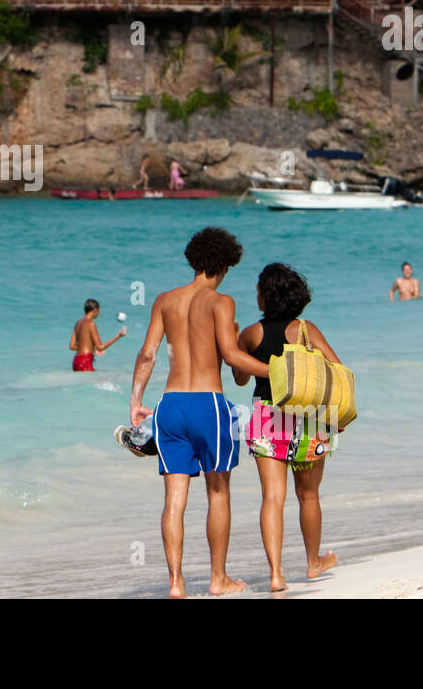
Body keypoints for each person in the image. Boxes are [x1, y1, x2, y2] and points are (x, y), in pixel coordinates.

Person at [129, 227, 271, 598]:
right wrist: (278, 372)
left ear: (194, 260)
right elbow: (231, 355)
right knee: (218, 491)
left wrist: (134, 401)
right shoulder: (221, 302)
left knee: (173, 499)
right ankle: (217, 578)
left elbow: (147, 354)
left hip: (170, 405)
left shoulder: (164, 299)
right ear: (223, 265)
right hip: (208, 404)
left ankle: (176, 582)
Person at [235, 264, 340, 592]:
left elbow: (240, 378)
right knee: (308, 495)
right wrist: (334, 417)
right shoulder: (307, 330)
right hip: (306, 415)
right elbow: (336, 369)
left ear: (268, 295)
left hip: (267, 416)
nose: (256, 294)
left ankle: (277, 574)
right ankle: (312, 562)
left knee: (272, 497)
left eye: (259, 288)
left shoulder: (252, 333)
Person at [69, 299, 126, 371]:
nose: (98, 313)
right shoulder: (91, 324)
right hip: (85, 360)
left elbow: (72, 346)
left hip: (76, 361)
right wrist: (118, 336)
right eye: (98, 311)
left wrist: (92, 349)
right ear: (95, 310)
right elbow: (100, 347)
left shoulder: (78, 323)